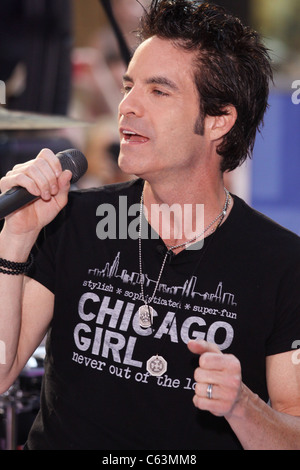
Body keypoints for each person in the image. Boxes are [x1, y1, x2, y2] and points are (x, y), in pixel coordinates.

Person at [0, 0, 299, 451]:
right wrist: (16, 238)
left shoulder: (281, 263)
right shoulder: (71, 221)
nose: (127, 106)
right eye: (128, 86)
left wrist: (242, 405)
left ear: (219, 120)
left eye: (158, 92)